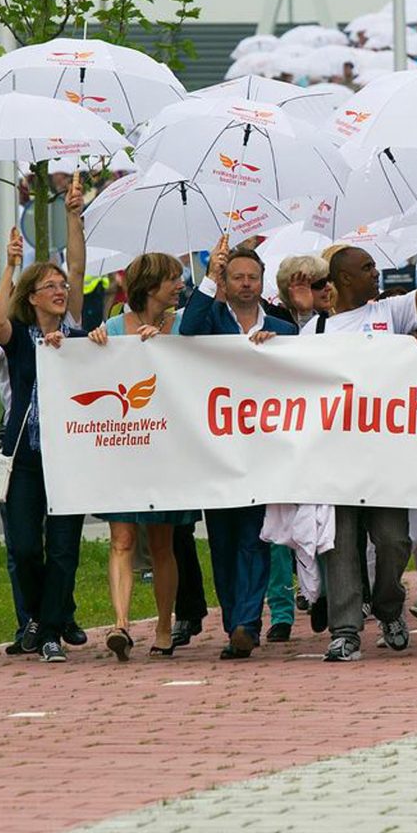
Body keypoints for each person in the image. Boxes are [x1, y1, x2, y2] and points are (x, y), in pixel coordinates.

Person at [306, 205, 417, 662]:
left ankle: (389, 607)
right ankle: (347, 629)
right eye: (367, 268)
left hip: (385, 455)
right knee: (341, 546)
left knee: (394, 540)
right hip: (337, 456)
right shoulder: (316, 329)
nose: (377, 273)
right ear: (343, 279)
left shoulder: (389, 312)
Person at [0, 177, 89, 663]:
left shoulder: (72, 331)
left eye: (62, 286)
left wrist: (74, 216)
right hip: (24, 457)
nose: (60, 290)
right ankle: (40, 616)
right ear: (31, 296)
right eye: (50, 286)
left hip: (68, 458)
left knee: (65, 548)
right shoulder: (20, 337)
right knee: (26, 547)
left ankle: (49, 630)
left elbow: (79, 263)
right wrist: (9, 267)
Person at [182, 236, 298, 659]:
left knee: (255, 536)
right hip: (217, 449)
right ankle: (233, 620)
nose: (246, 284)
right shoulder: (211, 319)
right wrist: (210, 276)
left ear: (262, 282)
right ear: (226, 281)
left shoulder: (284, 328)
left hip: (264, 449)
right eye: (237, 277)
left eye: (252, 277)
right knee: (223, 540)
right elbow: (187, 331)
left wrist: (276, 351)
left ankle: (248, 622)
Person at [86, 252, 199, 659]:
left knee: (162, 541)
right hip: (123, 450)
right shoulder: (114, 327)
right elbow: (88, 373)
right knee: (121, 537)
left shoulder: (185, 324)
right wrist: (93, 346)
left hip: (167, 451)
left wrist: (168, 347)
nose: (180, 284)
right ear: (151, 286)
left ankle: (165, 627)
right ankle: (120, 625)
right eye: (172, 279)